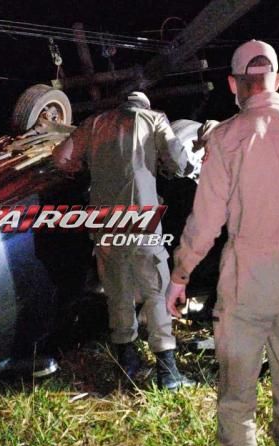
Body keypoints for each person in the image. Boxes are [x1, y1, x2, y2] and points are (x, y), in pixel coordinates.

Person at [165, 40, 279, 446]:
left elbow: (206, 221)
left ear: (234, 84)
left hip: (244, 293)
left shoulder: (226, 138)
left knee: (236, 401)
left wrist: (180, 274)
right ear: (278, 80)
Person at [52, 91, 194, 390]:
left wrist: (87, 169)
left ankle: (127, 361)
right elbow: (179, 163)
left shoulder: (95, 123)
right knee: (156, 290)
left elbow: (61, 158)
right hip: (141, 221)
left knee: (118, 291)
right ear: (144, 105)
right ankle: (168, 372)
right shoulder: (154, 119)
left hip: (105, 225)